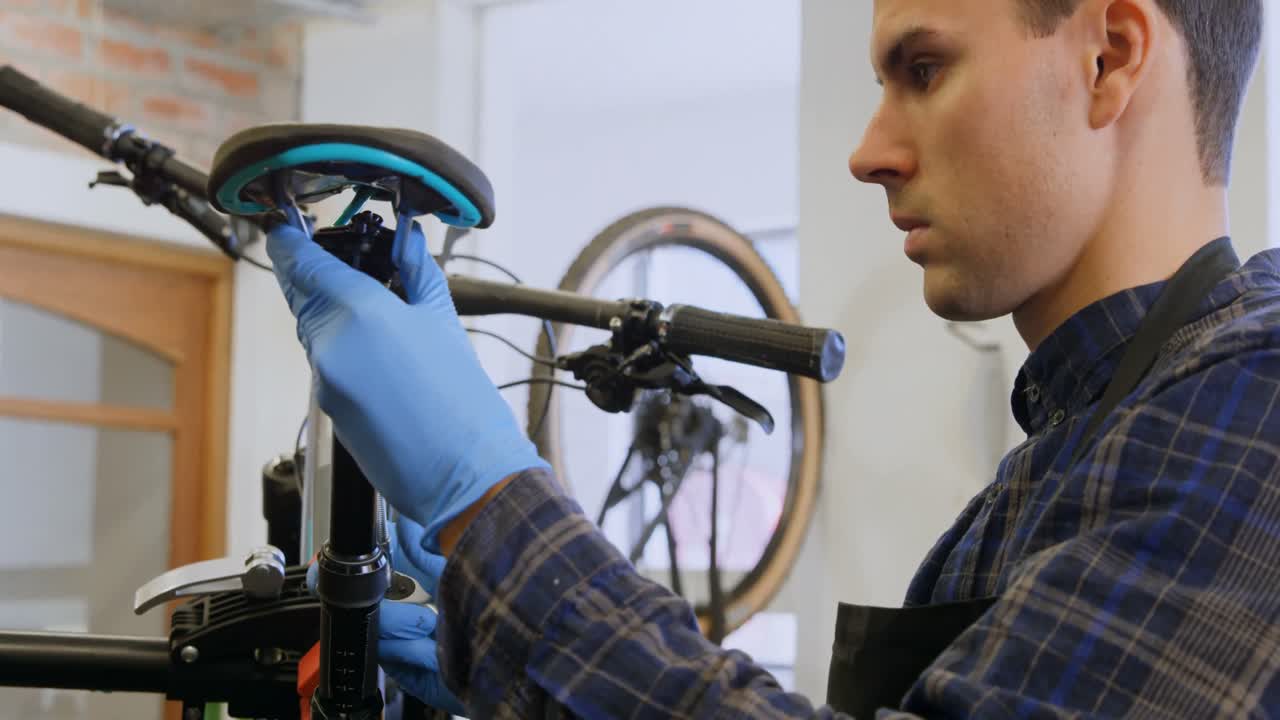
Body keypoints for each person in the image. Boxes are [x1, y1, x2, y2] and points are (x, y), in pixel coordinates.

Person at [266, 0, 1280, 716]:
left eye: (923, 70)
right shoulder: (1063, 455)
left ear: (1108, 57)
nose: (868, 152)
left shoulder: (1256, 406)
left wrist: (490, 503)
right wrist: (500, 662)